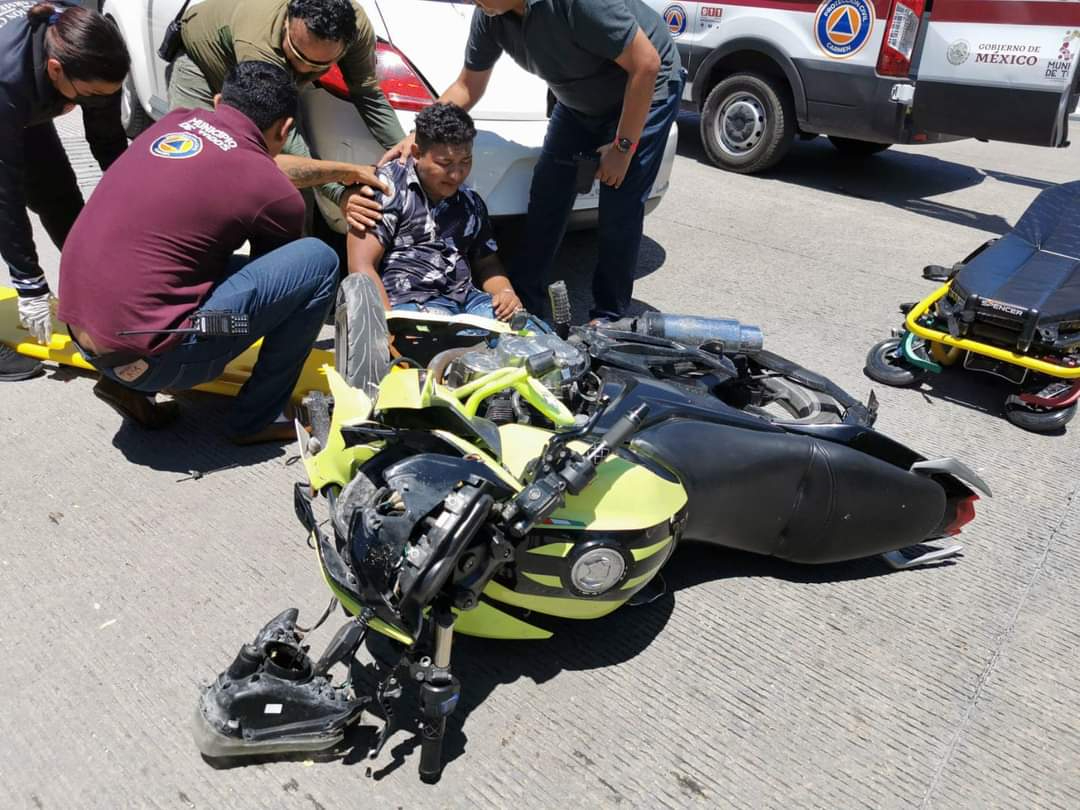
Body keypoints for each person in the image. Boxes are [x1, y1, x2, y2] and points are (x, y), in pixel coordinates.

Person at [58, 61, 339, 445]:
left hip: (82, 335)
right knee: (318, 262)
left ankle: (126, 386)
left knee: (183, 259)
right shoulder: (272, 190)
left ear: (220, 101)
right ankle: (256, 417)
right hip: (159, 358)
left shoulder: (174, 122)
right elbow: (278, 287)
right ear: (286, 130)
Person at [383, 0, 683, 322]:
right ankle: (524, 304)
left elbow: (647, 63)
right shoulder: (490, 14)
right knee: (547, 195)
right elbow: (467, 86)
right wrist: (418, 134)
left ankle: (608, 318)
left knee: (618, 206)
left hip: (644, 90)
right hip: (578, 102)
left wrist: (623, 148)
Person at [172, 0, 404, 233]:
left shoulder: (357, 27)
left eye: (317, 65)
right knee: (203, 173)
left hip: (272, 77)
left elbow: (366, 92)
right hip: (205, 66)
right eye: (296, 54)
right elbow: (286, 139)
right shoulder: (259, 37)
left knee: (294, 187)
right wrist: (339, 193)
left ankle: (289, 254)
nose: (303, 69)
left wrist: (405, 147)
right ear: (286, 23)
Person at [0, 1, 129, 381]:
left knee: (59, 196)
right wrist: (30, 283)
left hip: (27, 100)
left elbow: (108, 139)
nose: (98, 101)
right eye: (90, 94)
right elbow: (4, 195)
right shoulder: (7, 81)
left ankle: (95, 294)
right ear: (55, 70)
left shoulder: (87, 43)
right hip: (9, 92)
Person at [348, 103, 528, 324]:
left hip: (468, 303)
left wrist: (506, 293)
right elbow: (361, 265)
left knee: (534, 342)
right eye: (445, 163)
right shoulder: (386, 189)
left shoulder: (470, 201)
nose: (456, 174)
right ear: (417, 153)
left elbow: (487, 263)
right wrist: (386, 326)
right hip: (409, 306)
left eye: (466, 161)